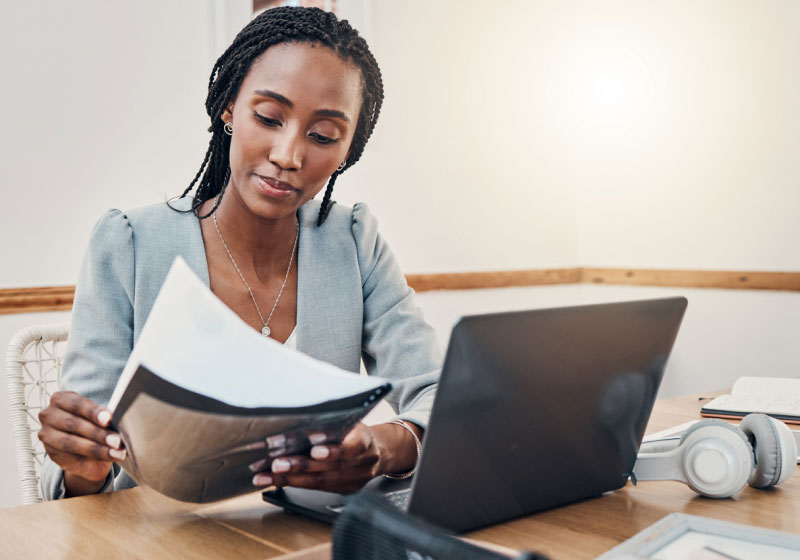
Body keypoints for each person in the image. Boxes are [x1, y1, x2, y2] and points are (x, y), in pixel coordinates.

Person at [38, 6, 441, 500]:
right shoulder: (129, 244)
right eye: (269, 117)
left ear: (349, 149)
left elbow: (438, 395)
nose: (287, 156)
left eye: (323, 136)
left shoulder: (354, 242)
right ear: (229, 107)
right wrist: (83, 464)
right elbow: (80, 478)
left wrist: (389, 445)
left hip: (307, 540)